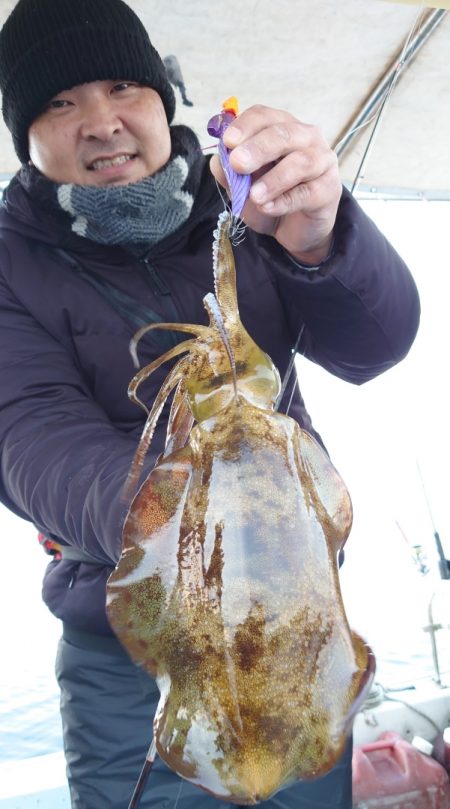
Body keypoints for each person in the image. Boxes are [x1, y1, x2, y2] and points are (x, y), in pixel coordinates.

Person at [0, 0, 420, 807]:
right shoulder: (12, 266)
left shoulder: (241, 206)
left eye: (124, 85)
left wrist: (318, 236)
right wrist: (195, 501)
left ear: (164, 97)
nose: (99, 121)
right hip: (129, 652)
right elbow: (30, 441)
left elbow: (375, 343)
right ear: (27, 137)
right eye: (59, 102)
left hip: (293, 624)